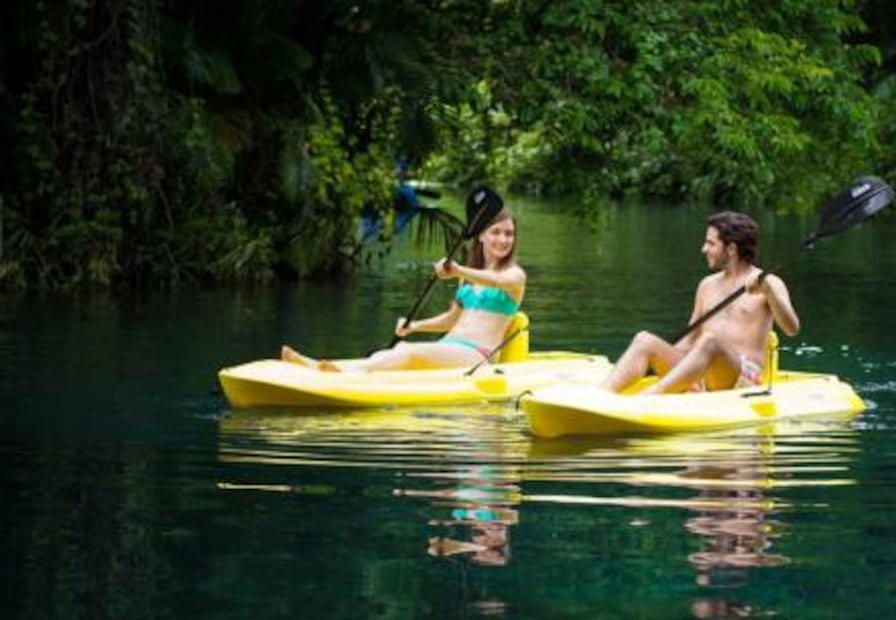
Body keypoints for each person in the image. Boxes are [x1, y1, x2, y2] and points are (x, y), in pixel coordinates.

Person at [281, 206, 526, 372]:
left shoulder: (514, 276)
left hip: (478, 355)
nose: (503, 240)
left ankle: (341, 373)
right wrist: (415, 326)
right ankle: (326, 366)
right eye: (496, 232)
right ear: (481, 236)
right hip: (449, 345)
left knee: (407, 351)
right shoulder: (468, 279)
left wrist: (458, 270)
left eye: (509, 234)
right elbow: (452, 320)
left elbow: (494, 281)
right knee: (397, 349)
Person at [601, 211, 800, 394]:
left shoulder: (769, 283)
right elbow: (689, 339)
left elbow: (792, 328)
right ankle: (599, 397)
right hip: (703, 373)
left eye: (711, 243)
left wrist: (769, 292)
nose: (704, 249)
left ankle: (648, 398)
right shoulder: (707, 285)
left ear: (731, 249)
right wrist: (660, 357)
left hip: (744, 379)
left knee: (710, 341)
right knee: (645, 340)